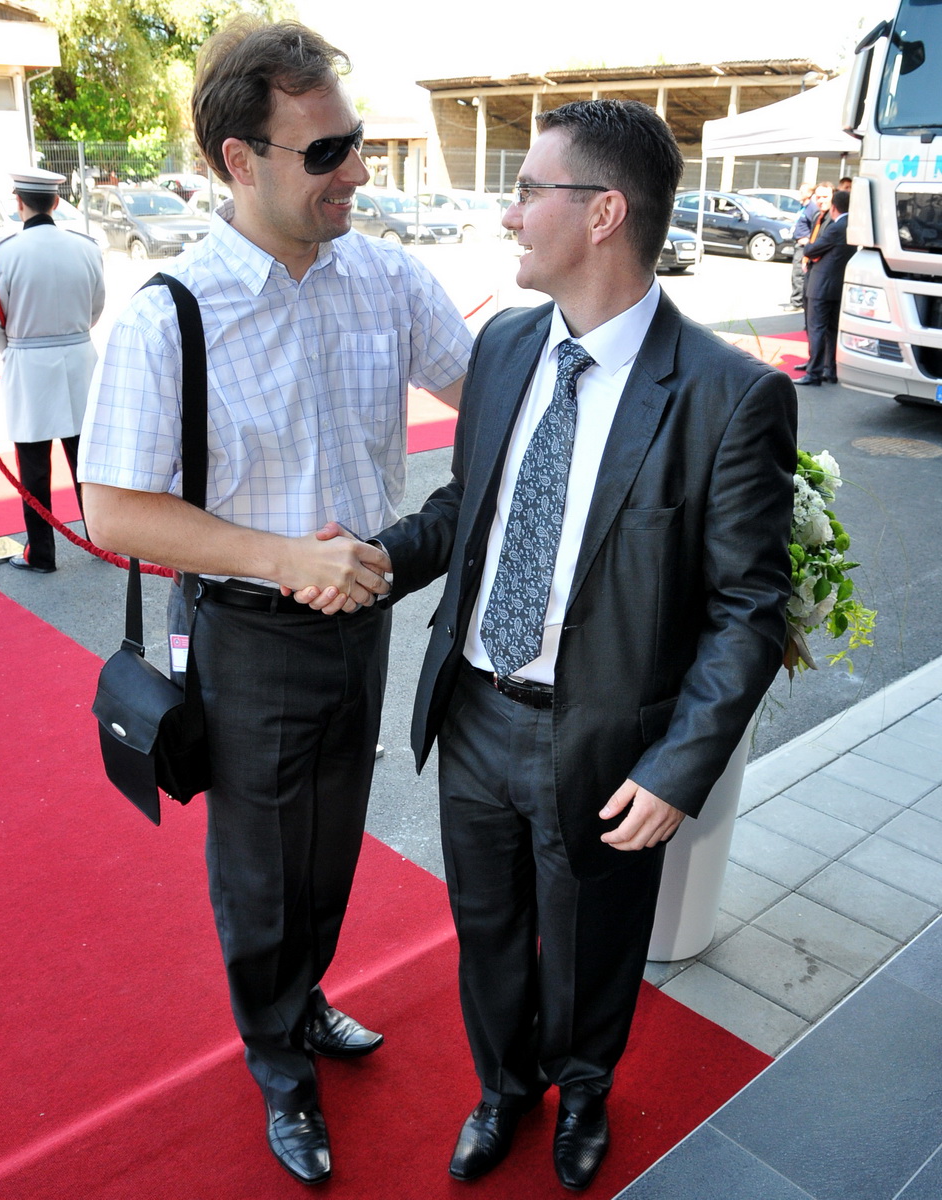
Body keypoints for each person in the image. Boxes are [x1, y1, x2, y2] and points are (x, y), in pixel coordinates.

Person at [357, 99, 795, 1191]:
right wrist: (371, 562)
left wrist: (679, 766)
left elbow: (748, 606)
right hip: (474, 707)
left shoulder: (728, 394)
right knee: (488, 928)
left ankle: (585, 1087)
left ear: (603, 213)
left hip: (601, 742)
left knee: (594, 936)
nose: (508, 216)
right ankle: (503, 1087)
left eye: (527, 192)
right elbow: (469, 507)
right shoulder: (508, 345)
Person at [77, 17, 471, 1187]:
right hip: (248, 633)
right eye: (327, 151)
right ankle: (277, 1062)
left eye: (356, 142)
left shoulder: (386, 278)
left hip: (364, 621)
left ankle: (302, 999)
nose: (356, 171)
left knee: (334, 840)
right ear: (239, 160)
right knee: (259, 870)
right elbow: (114, 512)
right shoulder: (173, 312)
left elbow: (483, 390)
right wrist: (284, 557)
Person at [0, 167, 105, 574]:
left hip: (28, 364)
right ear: (55, 202)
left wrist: (17, 350)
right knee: (87, 463)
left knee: (33, 469)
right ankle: (103, 541)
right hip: (79, 360)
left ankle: (41, 554)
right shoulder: (86, 248)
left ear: (19, 202)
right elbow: (96, 308)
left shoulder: (2, 253)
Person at [796, 188, 857, 386]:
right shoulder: (853, 225)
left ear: (834, 207)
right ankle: (830, 370)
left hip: (821, 286)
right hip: (838, 286)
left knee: (817, 330)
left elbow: (811, 248)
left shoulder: (837, 227)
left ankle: (814, 372)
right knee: (831, 330)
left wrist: (808, 245)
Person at [786, 181, 832, 311]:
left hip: (806, 248)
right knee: (797, 274)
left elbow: (816, 230)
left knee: (799, 275)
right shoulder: (804, 207)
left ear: (809, 193)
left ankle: (797, 302)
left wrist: (809, 242)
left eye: (802, 191)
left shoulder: (814, 209)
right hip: (800, 246)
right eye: (819, 197)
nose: (799, 194)